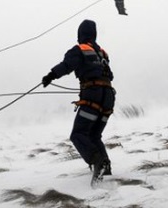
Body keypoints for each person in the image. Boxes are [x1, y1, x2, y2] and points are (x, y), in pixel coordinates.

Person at [42, 19, 115, 183]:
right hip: (109, 98)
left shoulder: (79, 49)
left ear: (80, 34)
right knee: (94, 135)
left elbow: (67, 65)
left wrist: (51, 76)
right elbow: (110, 76)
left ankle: (97, 162)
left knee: (78, 134)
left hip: (93, 96)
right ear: (94, 35)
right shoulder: (103, 54)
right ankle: (106, 167)